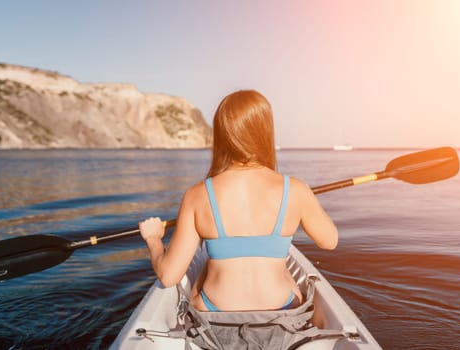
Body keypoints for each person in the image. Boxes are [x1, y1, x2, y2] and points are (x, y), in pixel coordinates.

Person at [139, 89, 338, 312]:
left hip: (215, 311)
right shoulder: (296, 190)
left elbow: (168, 276)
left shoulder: (197, 195)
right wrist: (305, 201)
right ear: (266, 131)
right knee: (289, 280)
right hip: (281, 308)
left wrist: (154, 239)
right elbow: (330, 241)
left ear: (222, 135)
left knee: (204, 271)